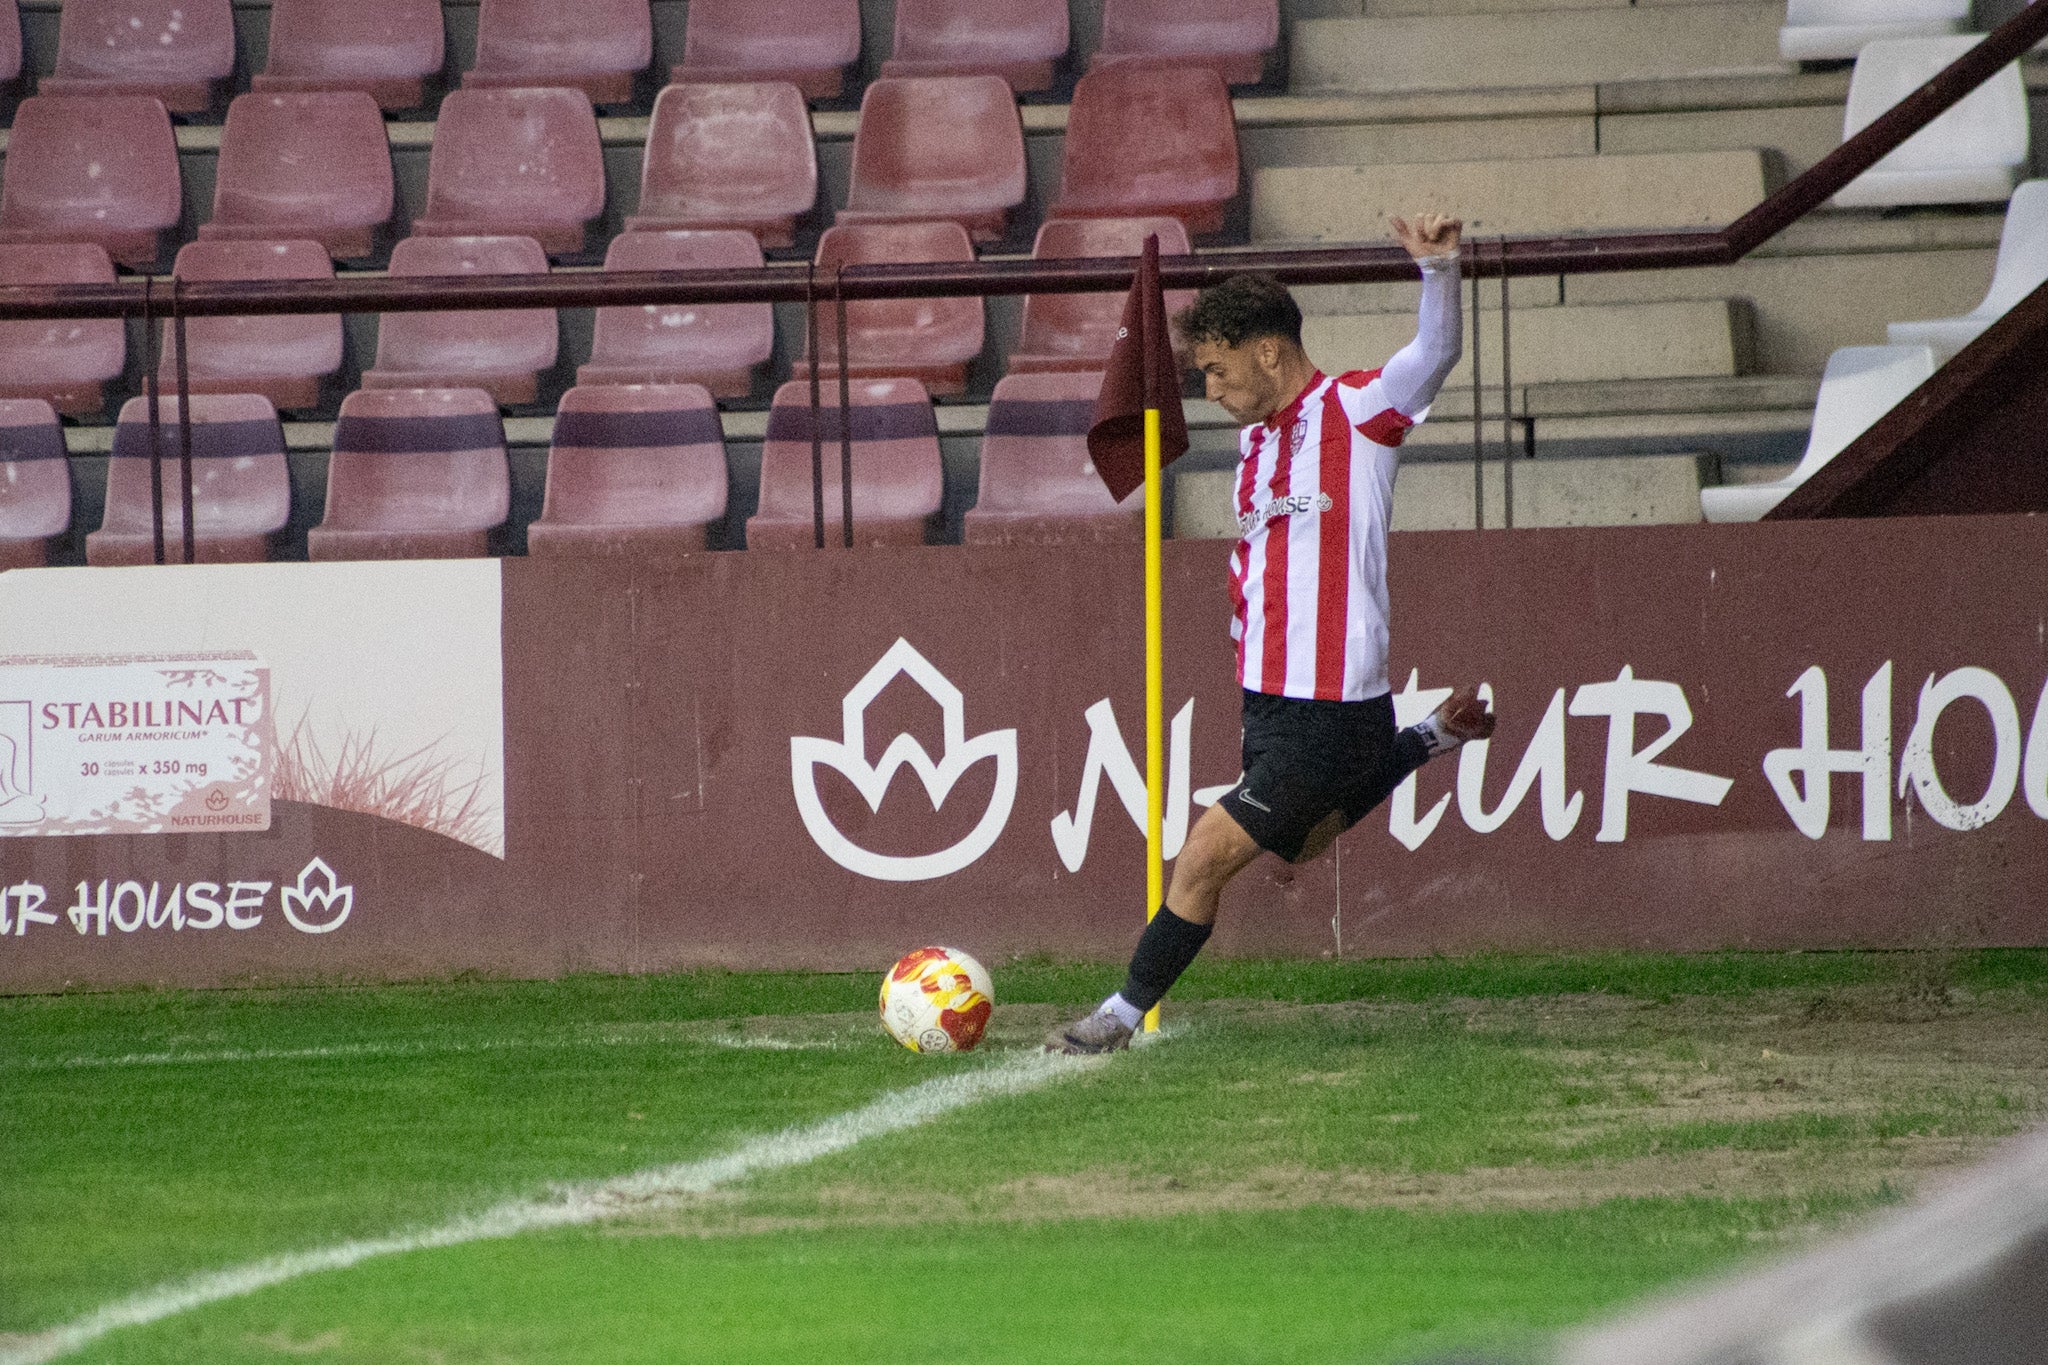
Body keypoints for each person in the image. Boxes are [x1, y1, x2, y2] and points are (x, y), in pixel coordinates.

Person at [1047, 211, 1496, 1055]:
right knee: (1304, 841)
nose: (1208, 390)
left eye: (1214, 370)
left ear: (1266, 350)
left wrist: (1440, 271)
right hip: (1277, 700)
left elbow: (1434, 357)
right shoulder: (1257, 443)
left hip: (1324, 697)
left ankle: (1115, 1015)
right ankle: (1427, 737)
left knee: (1202, 858)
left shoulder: (1361, 411)